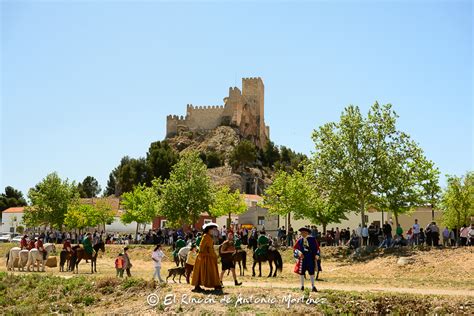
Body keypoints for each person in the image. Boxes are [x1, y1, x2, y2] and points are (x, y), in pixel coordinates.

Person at [192, 223, 222, 293]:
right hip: (205, 257)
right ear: (208, 230)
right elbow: (201, 246)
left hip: (210, 256)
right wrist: (200, 255)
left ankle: (216, 285)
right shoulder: (205, 236)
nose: (213, 231)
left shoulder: (209, 236)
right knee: (205, 271)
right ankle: (215, 285)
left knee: (210, 271)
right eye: (212, 229)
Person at [293, 227, 319, 292]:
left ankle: (313, 286)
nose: (302, 234)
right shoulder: (299, 240)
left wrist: (317, 255)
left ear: (307, 233)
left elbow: (317, 248)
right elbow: (295, 249)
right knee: (301, 272)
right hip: (302, 259)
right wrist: (299, 253)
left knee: (311, 272)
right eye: (301, 233)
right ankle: (302, 286)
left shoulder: (312, 239)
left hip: (310, 258)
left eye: (303, 232)